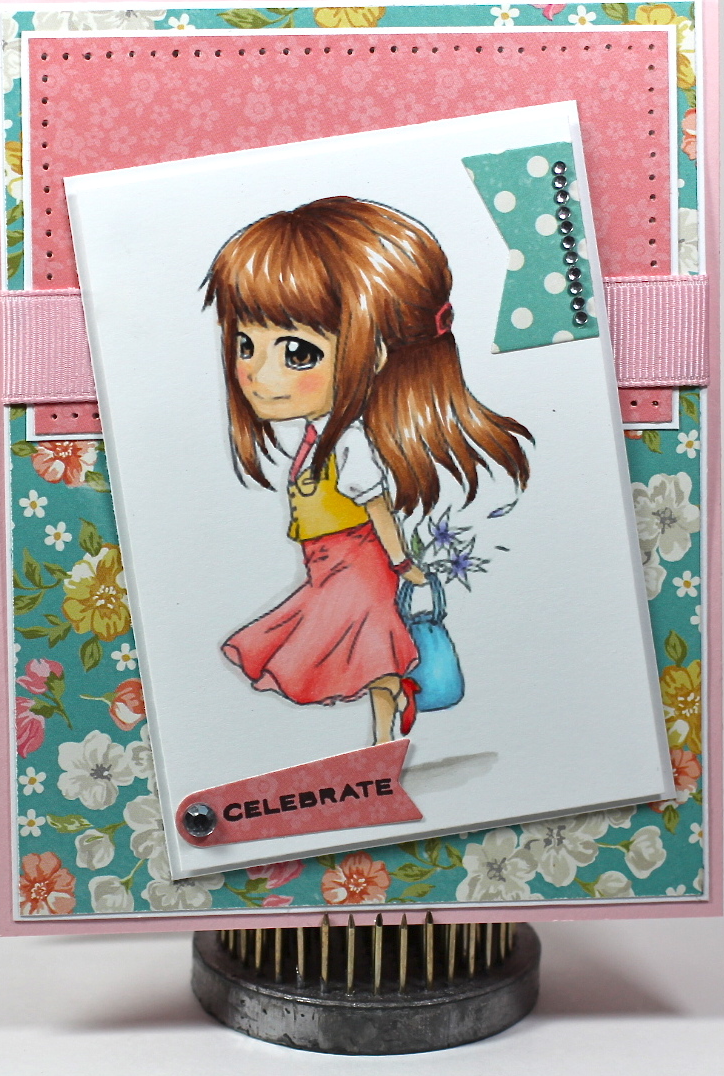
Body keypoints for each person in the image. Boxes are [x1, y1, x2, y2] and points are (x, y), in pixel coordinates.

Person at [204, 196, 532, 744]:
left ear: (375, 353)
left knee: (369, 652)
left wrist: (403, 563)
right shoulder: (319, 437)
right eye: (245, 344)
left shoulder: (351, 443)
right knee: (354, 650)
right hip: (327, 564)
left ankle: (385, 740)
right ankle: (389, 727)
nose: (257, 373)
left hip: (359, 564)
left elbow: (377, 507)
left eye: (297, 353)